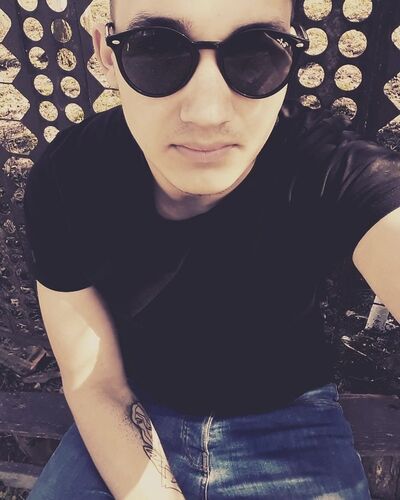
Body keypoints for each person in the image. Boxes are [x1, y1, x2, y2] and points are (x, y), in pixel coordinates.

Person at [23, 0, 400, 498]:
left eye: (256, 53)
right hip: (131, 413)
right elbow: (96, 383)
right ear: (108, 57)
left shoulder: (332, 170)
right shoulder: (70, 178)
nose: (206, 113)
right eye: (156, 50)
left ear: (292, 59)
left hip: (292, 417)